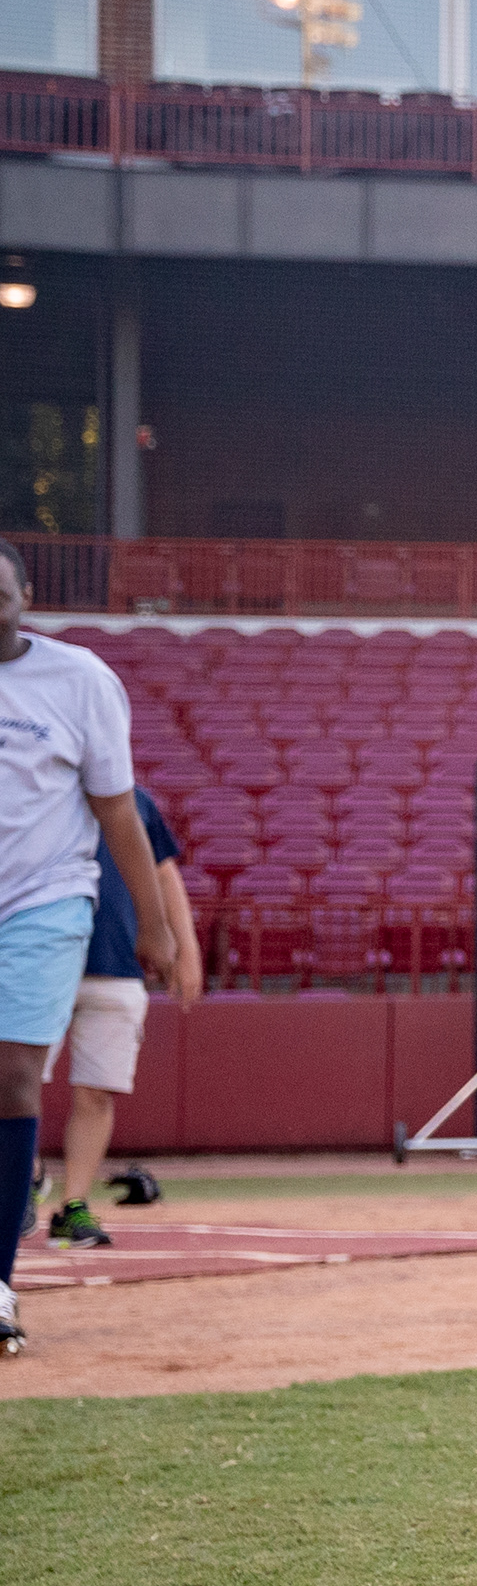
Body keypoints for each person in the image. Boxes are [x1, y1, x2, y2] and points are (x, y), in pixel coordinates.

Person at [0, 543, 181, 1359]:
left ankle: (1, 1277)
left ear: (24, 597)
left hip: (44, 907)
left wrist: (157, 926)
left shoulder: (78, 681)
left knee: (16, 1076)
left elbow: (123, 817)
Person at [42, 786, 196, 1247]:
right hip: (42, 960)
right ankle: (24, 1174)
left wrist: (186, 949)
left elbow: (165, 873)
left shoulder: (138, 801)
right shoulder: (39, 789)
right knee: (16, 1082)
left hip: (115, 964)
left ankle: (73, 1205)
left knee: (96, 1092)